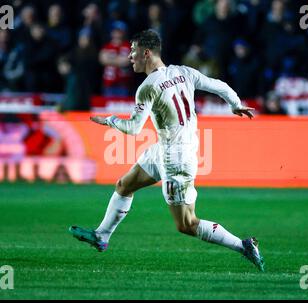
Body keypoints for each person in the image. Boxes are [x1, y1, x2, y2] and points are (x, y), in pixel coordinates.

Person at [69, 30, 264, 271]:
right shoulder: (184, 72)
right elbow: (219, 85)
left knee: (186, 224)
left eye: (133, 51)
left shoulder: (148, 87)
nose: (130, 56)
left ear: (146, 53)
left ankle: (243, 245)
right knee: (124, 185)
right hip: (166, 148)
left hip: (176, 159)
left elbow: (132, 128)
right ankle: (102, 236)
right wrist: (235, 105)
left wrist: (109, 120)